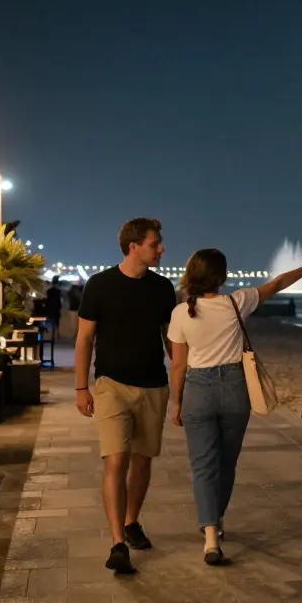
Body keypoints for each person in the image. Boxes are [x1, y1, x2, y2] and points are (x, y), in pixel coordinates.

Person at [167, 249, 302, 565]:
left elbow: (177, 365)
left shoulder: (180, 313)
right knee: (227, 462)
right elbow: (278, 283)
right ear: (222, 277)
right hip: (234, 389)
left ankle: (211, 536)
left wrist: (177, 402)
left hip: (198, 391)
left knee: (203, 466)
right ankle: (218, 520)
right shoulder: (237, 302)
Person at [74, 218, 177, 574]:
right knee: (116, 460)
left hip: (153, 385)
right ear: (134, 246)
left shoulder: (163, 288)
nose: (161, 248)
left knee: (143, 459)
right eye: (155, 243)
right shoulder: (100, 285)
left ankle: (132, 522)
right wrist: (80, 387)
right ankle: (118, 543)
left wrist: (182, 379)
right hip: (111, 385)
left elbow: (169, 337)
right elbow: (84, 338)